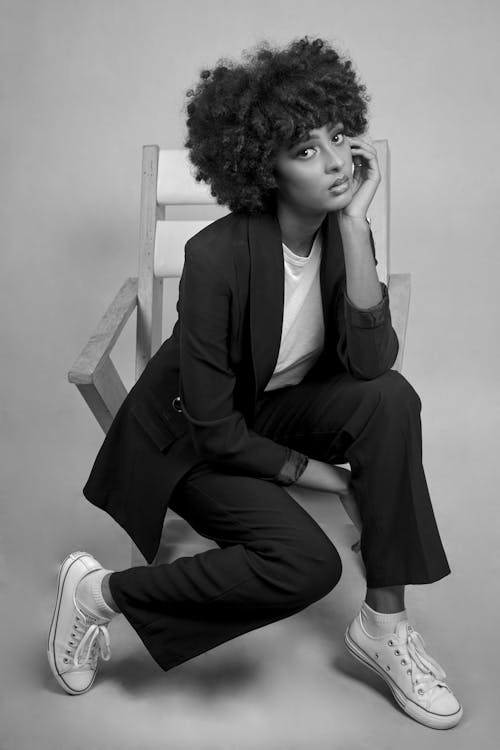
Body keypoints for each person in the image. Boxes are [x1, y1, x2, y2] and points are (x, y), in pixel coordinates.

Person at [47, 36, 463, 729]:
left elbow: (371, 364)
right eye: (304, 150)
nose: (333, 163)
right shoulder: (216, 257)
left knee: (392, 399)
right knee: (306, 567)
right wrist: (335, 480)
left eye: (337, 138)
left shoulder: (342, 232)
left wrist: (357, 229)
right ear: (262, 169)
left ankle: (385, 628)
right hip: (193, 438)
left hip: (270, 412)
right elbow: (214, 428)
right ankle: (100, 593)